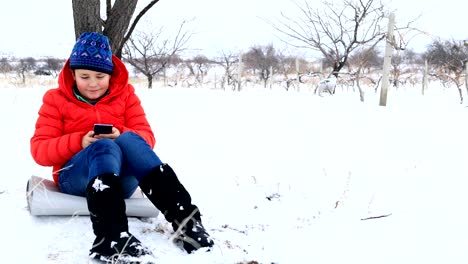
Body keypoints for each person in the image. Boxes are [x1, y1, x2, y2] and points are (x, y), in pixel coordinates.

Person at [30, 32, 214, 262]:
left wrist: (121, 133)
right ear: (72, 74)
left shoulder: (126, 96)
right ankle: (112, 238)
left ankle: (187, 224)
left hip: (119, 183)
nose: (93, 83)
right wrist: (80, 141)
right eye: (84, 76)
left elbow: (146, 139)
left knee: (128, 140)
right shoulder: (55, 100)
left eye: (100, 76)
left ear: (110, 74)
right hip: (75, 179)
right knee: (104, 145)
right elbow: (40, 150)